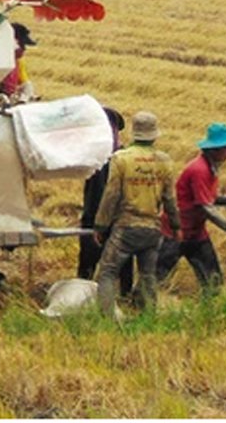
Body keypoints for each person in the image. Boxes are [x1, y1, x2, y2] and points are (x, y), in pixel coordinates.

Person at [94, 110, 180, 317]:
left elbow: (111, 195)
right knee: (148, 275)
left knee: (107, 272)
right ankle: (148, 316)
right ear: (154, 135)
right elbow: (169, 198)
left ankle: (107, 319)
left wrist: (100, 226)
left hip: (126, 227)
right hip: (152, 228)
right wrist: (176, 226)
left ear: (134, 133)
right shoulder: (164, 161)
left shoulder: (121, 159)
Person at [156, 122, 226, 296]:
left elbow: (209, 198)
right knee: (158, 277)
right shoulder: (200, 170)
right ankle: (141, 306)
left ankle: (210, 308)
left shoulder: (211, 168)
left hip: (196, 232)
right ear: (214, 150)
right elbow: (206, 207)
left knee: (213, 280)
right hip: (176, 230)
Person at [77, 107, 133, 295]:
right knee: (122, 264)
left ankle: (83, 297)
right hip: (123, 220)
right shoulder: (126, 156)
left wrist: (96, 225)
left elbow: (97, 194)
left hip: (99, 221)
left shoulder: (99, 158)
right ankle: (124, 299)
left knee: (89, 265)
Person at [0, 22, 37, 102]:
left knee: (28, 86)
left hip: (8, 96)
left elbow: (24, 80)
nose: (24, 49)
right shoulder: (1, 58)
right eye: (22, 44)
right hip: (1, 97)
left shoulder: (18, 61)